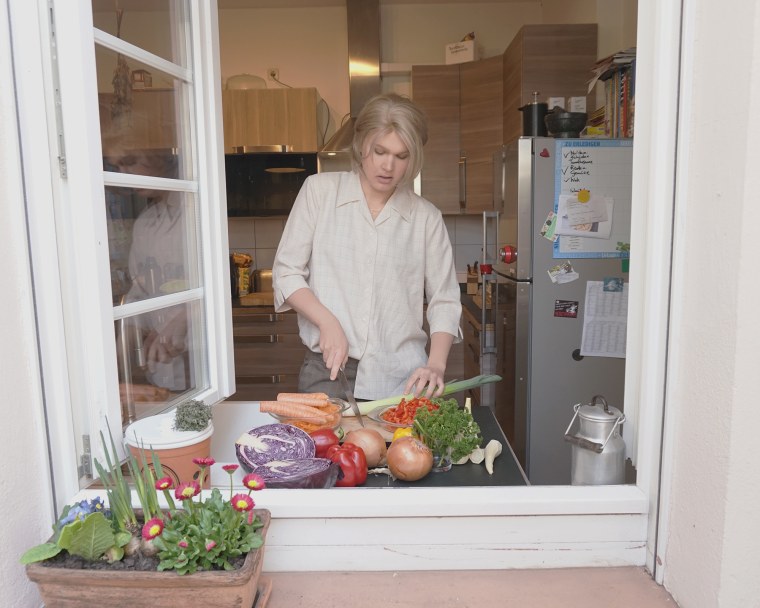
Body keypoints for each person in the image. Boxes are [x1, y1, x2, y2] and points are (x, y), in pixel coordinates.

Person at [272, 93, 462, 400]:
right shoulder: (319, 192)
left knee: (400, 450)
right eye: (380, 151)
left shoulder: (426, 218)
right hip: (328, 371)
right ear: (362, 147)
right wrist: (327, 321)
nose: (388, 166)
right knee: (325, 449)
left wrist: (436, 365)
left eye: (401, 156)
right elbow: (287, 273)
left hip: (402, 377)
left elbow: (445, 300)